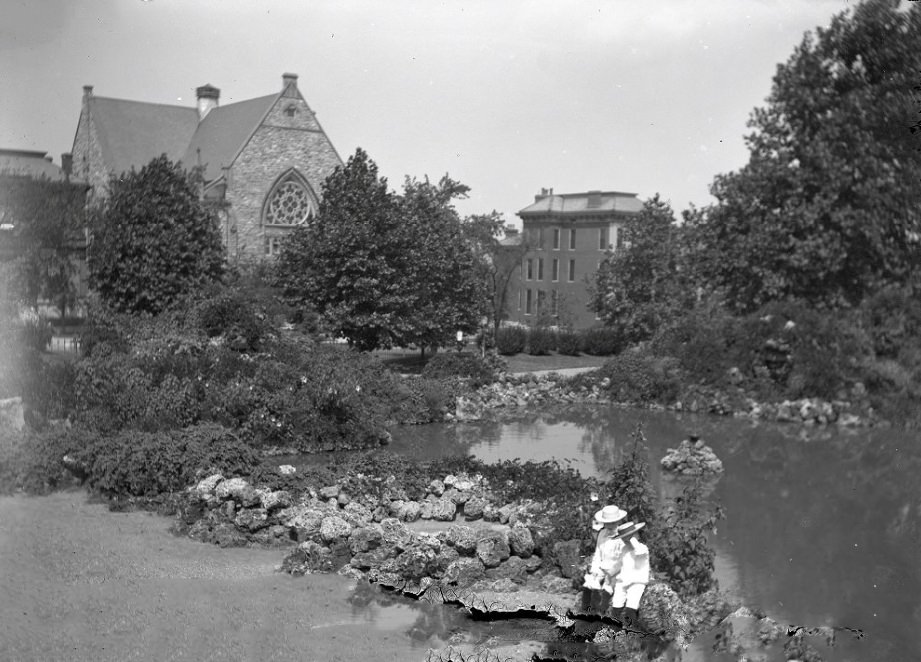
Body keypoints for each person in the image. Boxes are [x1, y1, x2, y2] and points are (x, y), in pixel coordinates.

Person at [581, 504, 627, 613]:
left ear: (618, 521)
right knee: (589, 583)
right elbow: (598, 554)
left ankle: (602, 613)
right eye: (607, 522)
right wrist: (595, 571)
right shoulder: (602, 533)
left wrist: (611, 574)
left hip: (616, 570)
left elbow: (623, 560)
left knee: (607, 588)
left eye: (612, 522)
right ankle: (586, 611)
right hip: (602, 567)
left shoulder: (623, 537)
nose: (610, 525)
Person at [609, 521, 649, 627]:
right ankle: (613, 630)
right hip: (623, 580)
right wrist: (609, 573)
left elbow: (639, 552)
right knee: (616, 605)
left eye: (626, 537)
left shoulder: (642, 548)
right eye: (623, 538)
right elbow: (619, 564)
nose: (624, 540)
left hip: (637, 581)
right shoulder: (624, 549)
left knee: (631, 606)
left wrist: (632, 539)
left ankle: (632, 633)